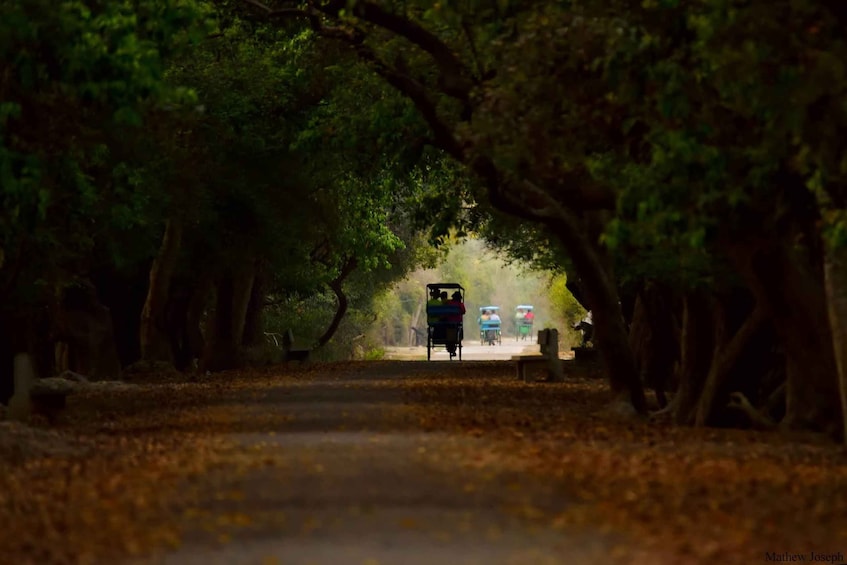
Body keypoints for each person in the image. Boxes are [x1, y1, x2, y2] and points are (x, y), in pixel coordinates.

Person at [444, 290, 465, 357]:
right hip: (457, 322)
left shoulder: (449, 303)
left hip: (448, 322)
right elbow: (463, 312)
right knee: (459, 329)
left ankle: (449, 346)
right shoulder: (460, 304)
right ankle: (455, 343)